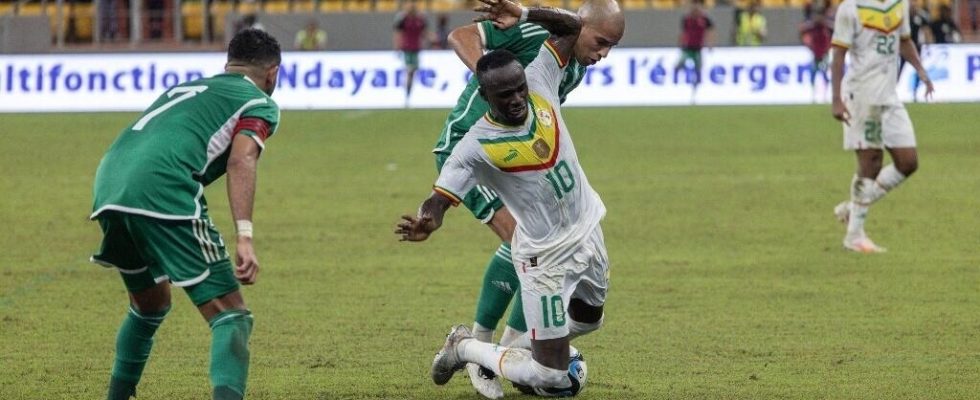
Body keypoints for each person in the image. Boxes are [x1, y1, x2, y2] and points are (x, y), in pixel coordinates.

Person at [397, 0, 620, 394]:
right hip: (490, 162)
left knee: (589, 319)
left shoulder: (542, 76)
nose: (604, 54)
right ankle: (474, 348)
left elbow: (569, 27)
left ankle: (505, 350)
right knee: (519, 237)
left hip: (581, 225)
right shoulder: (474, 145)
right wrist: (429, 217)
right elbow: (460, 34)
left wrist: (525, 11)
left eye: (519, 89)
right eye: (602, 42)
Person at [89, 28, 281, 400]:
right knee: (231, 315)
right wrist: (244, 234)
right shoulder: (258, 101)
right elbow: (243, 158)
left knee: (150, 304)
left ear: (228, 63)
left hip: (110, 185)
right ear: (273, 73)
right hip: (161, 188)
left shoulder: (187, 88)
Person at [830, 0, 933, 253]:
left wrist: (920, 69)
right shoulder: (851, 8)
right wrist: (835, 100)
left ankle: (853, 208)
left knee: (908, 162)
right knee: (871, 162)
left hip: (889, 95)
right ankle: (854, 235)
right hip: (861, 95)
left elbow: (904, 40)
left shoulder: (899, 4)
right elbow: (839, 54)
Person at [676, 0, 713, 101]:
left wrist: (709, 44)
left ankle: (694, 93)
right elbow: (683, 33)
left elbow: (710, 31)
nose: (695, 7)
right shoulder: (687, 19)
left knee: (698, 71)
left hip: (698, 49)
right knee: (679, 65)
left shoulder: (705, 19)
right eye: (693, 5)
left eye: (697, 5)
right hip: (687, 48)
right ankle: (687, 75)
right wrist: (680, 43)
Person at [393, 0, 428, 105]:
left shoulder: (420, 18)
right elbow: (398, 33)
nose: (412, 5)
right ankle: (406, 94)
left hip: (416, 49)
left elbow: (424, 32)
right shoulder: (402, 18)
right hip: (407, 48)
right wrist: (397, 47)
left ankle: (408, 94)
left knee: (413, 72)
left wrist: (432, 39)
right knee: (410, 70)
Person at [799, 6, 832, 102]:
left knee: (824, 74)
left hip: (824, 54)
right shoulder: (813, 27)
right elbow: (802, 28)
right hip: (816, 55)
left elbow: (833, 28)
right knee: (814, 74)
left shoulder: (825, 27)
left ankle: (825, 95)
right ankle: (814, 94)